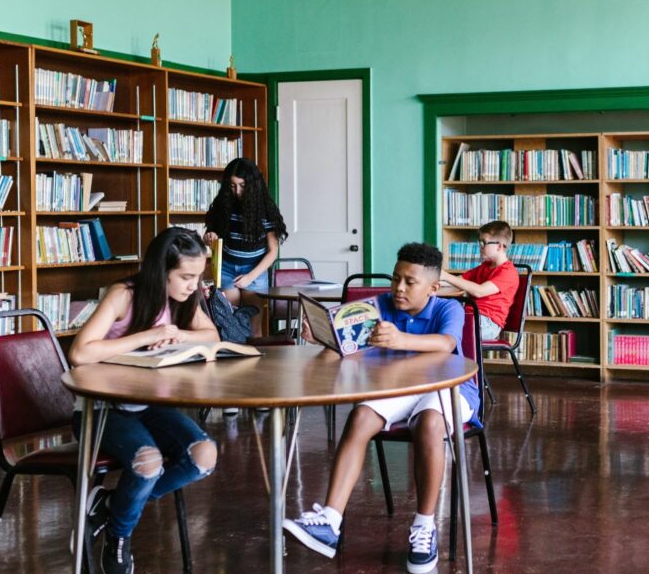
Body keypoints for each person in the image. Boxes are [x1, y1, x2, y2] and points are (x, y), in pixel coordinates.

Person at [284, 242, 478, 574]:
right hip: (397, 388)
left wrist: (401, 340)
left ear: (433, 287)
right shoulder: (379, 306)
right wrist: (325, 339)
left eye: (410, 282)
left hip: (449, 389)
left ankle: (424, 526)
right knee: (360, 415)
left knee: (429, 424)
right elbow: (346, 353)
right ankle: (330, 520)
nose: (399, 288)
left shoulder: (449, 309)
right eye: (395, 279)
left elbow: (446, 344)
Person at [68, 227, 220, 574]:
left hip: (150, 405)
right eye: (185, 276)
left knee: (205, 454)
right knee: (148, 463)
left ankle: (110, 506)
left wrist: (178, 334)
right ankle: (119, 537)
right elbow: (80, 352)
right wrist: (147, 336)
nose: (193, 285)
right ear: (160, 272)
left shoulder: (184, 299)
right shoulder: (123, 294)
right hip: (103, 411)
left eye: (197, 277)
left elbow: (211, 335)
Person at [203, 157, 288, 306]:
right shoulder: (223, 204)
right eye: (232, 186)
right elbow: (211, 234)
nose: (237, 191)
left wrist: (250, 277)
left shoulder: (265, 209)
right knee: (230, 325)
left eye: (242, 185)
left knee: (254, 327)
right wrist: (210, 237)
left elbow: (273, 251)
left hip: (255, 270)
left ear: (252, 186)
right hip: (226, 269)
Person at [439, 220, 520, 341]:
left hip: (488, 323)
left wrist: (445, 276)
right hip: (472, 315)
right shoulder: (485, 266)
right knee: (439, 320)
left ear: (499, 246)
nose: (480, 246)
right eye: (480, 242)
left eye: (484, 242)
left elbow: (480, 291)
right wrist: (432, 281)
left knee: (445, 328)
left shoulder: (508, 272)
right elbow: (457, 281)